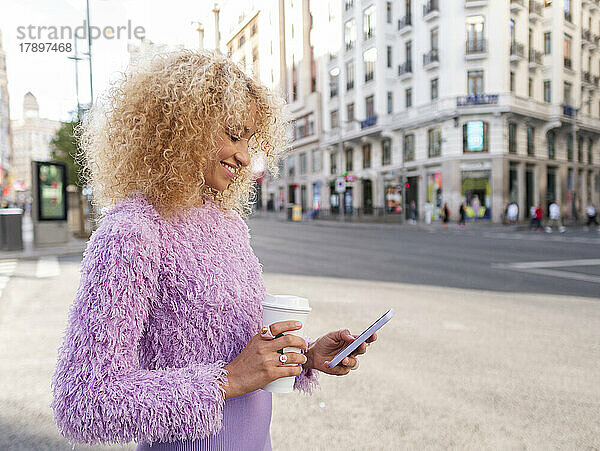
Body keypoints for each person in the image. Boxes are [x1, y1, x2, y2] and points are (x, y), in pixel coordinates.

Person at [50, 50, 377, 450]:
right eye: (232, 133)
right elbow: (82, 402)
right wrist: (228, 380)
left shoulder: (228, 225)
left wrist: (304, 357)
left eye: (250, 140)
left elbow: (235, 349)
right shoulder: (131, 232)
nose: (245, 156)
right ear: (180, 126)